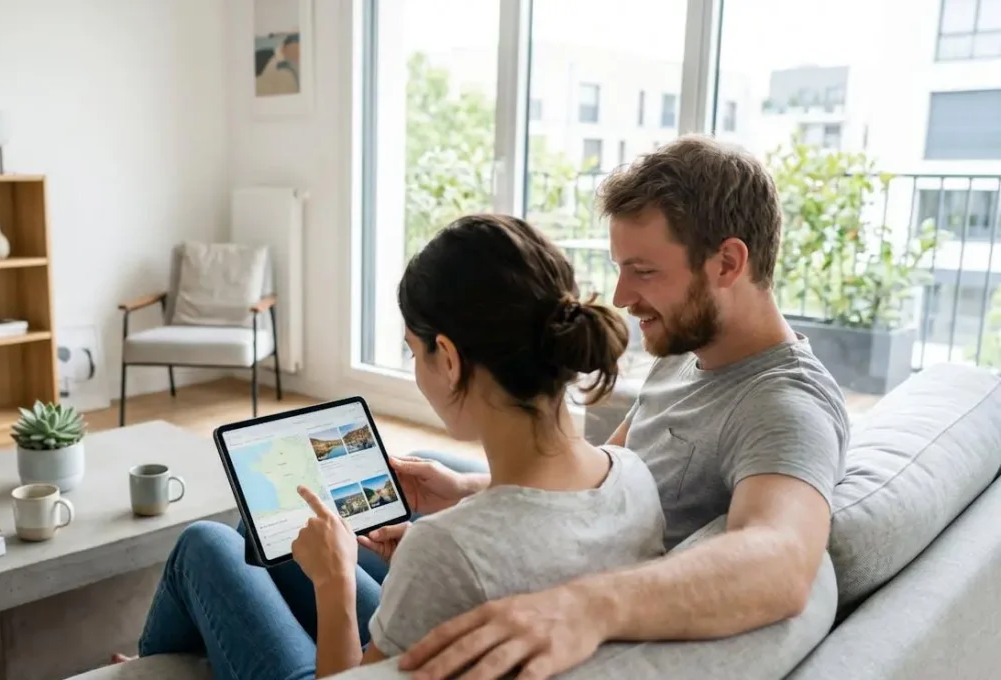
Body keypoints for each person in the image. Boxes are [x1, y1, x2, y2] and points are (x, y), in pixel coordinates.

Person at [390, 134, 851, 680]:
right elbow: (598, 470)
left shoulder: (787, 407)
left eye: (644, 270)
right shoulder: (688, 350)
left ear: (726, 263)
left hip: (568, 585)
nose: (621, 296)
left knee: (260, 570)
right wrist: (472, 493)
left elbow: (782, 561)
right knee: (410, 475)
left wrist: (586, 607)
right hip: (571, 540)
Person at [133, 214, 667, 679]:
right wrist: (463, 495)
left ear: (450, 359)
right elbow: (535, 531)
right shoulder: (632, 474)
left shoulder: (446, 551)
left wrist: (337, 582)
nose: (416, 368)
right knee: (270, 528)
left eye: (413, 351)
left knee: (205, 545)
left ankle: (147, 672)